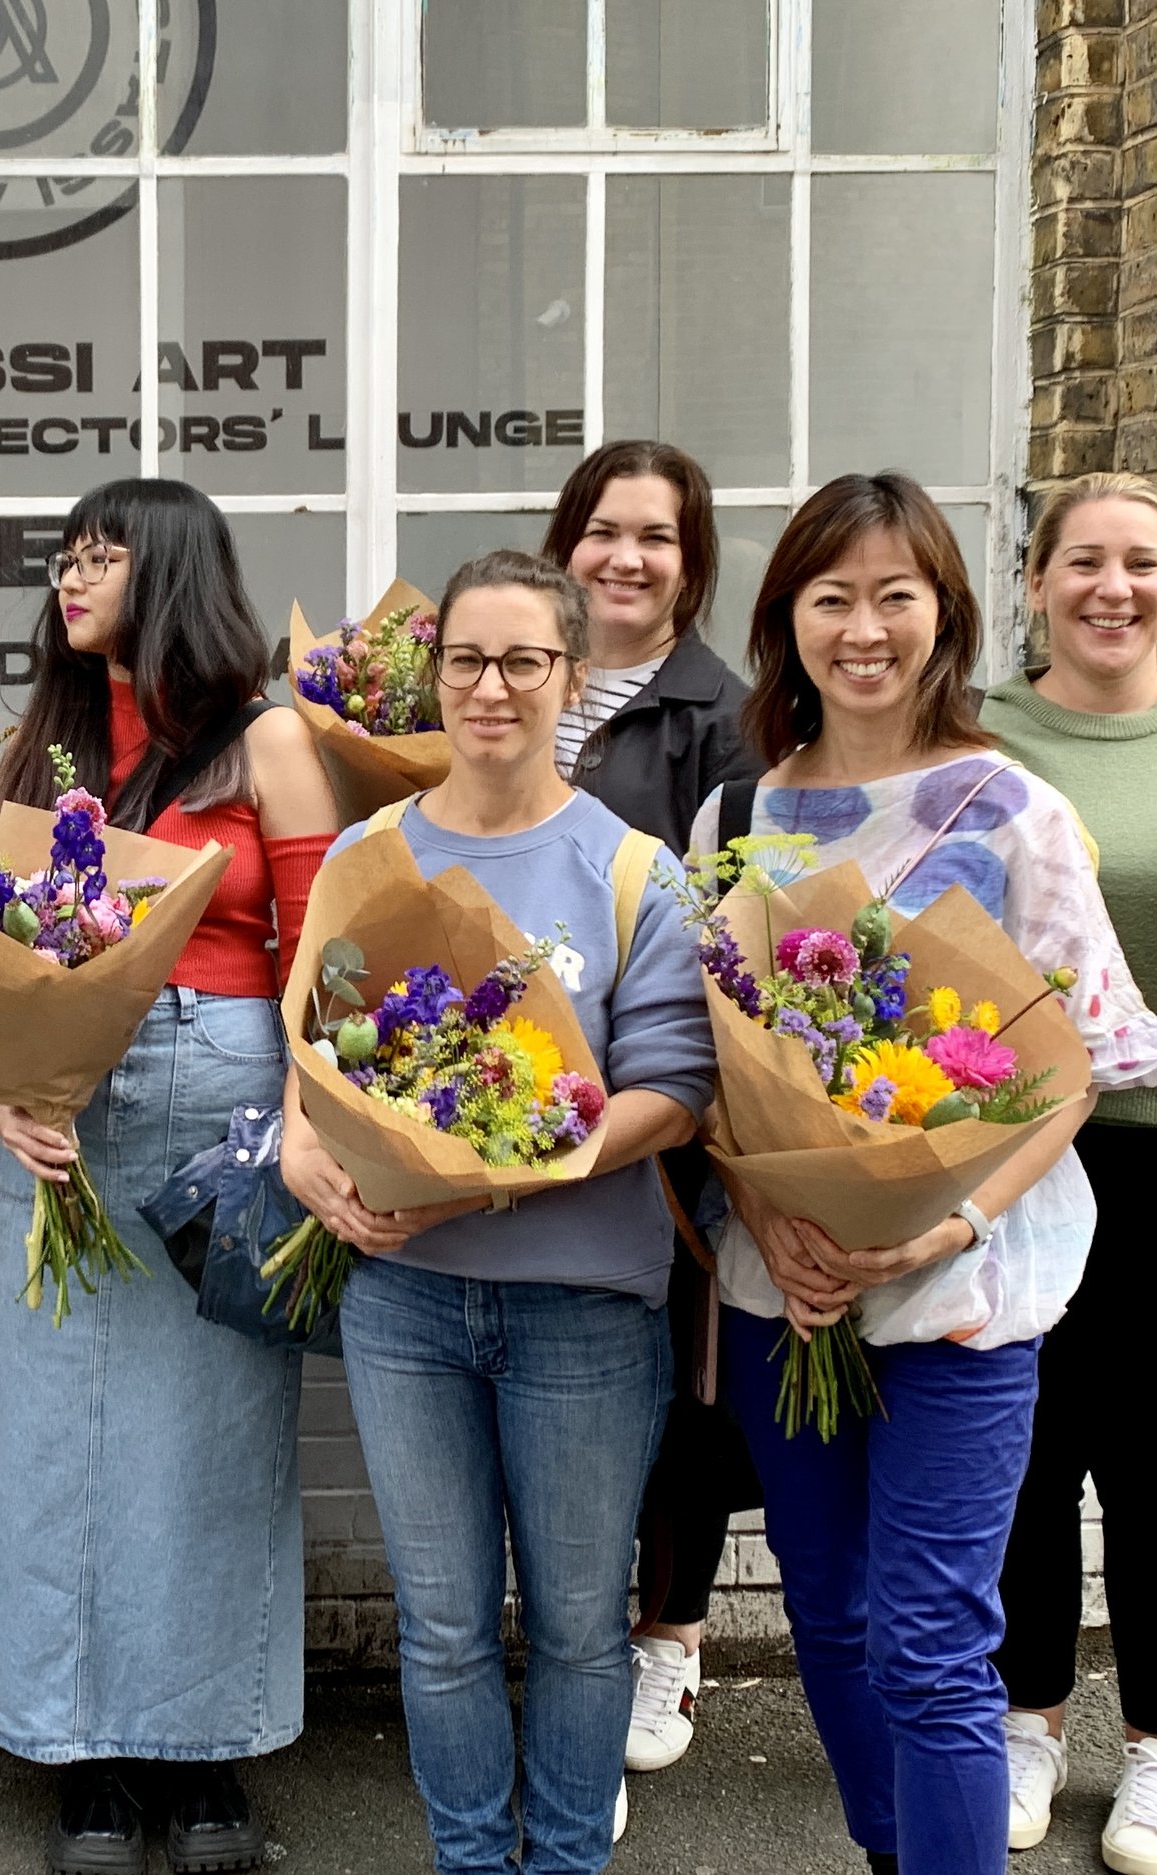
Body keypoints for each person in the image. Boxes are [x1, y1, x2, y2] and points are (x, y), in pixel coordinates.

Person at [696, 472, 1157, 1875]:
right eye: (832, 597)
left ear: (945, 613)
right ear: (788, 621)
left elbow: (1074, 1061)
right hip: (793, 1296)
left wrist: (936, 1218)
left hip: (967, 1291)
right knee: (831, 1614)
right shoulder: (737, 812)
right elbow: (720, 1061)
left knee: (936, 1638)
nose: (865, 627)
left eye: (896, 594)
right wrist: (781, 1216)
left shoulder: (1010, 807)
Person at [281, 549, 717, 1875]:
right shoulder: (369, 853)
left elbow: (680, 1093)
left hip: (583, 1307)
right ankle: (474, 1860)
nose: (492, 686)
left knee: (584, 1627)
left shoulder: (632, 869)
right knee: (447, 1626)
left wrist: (530, 1156)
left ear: (572, 680)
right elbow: (309, 1054)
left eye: (525, 660)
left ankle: (569, 1860)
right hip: (406, 1302)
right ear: (436, 673)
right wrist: (307, 1157)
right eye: (467, 658)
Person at [0, 478, 335, 1875]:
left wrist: (309, 1126)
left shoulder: (270, 746)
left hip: (227, 1106)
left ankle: (205, 1757)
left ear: (173, 568)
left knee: (216, 1435)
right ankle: (87, 1761)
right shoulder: (41, 748)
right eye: (62, 556)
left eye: (101, 556)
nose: (70, 578)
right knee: (55, 1435)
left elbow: (315, 957)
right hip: (61, 1118)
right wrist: (10, 1085)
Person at [541, 439, 765, 1784]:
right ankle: (574, 1635)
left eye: (658, 538)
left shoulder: (722, 724)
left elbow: (735, 929)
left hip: (655, 1102)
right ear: (566, 541)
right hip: (504, 1098)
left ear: (693, 563)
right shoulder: (515, 679)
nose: (627, 558)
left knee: (674, 1377)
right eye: (604, 530)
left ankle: (670, 1635)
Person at [978, 471, 1157, 1874]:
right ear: (1034, 581)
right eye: (1084, 562)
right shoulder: (982, 742)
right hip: (1026, 1149)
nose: (1115, 587)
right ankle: (1027, 1721)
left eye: (1142, 562)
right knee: (1023, 1457)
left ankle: (1154, 1749)